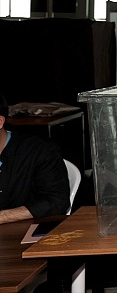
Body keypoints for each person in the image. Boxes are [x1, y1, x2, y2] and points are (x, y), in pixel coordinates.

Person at [0, 95, 70, 224]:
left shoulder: (40, 150)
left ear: (0, 122)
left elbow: (57, 201)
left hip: (23, 234)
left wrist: (4, 216)